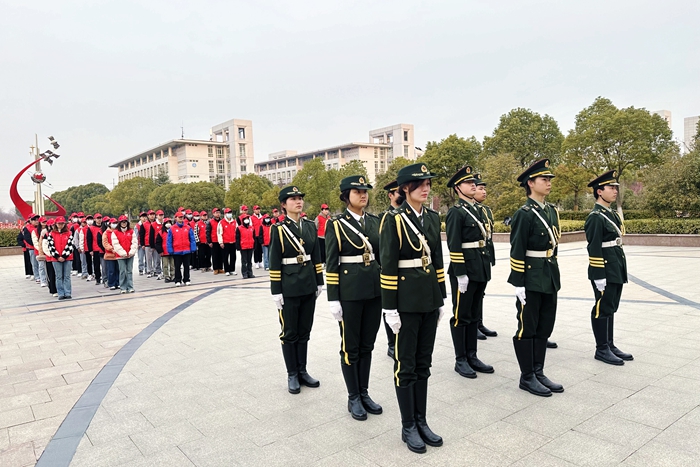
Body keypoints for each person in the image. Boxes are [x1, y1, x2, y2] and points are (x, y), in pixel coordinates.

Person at [379, 163, 446, 454]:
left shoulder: (432, 217)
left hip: (428, 299)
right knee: (405, 365)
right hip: (405, 302)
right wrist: (389, 308)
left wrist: (441, 297)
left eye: (428, 183)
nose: (425, 188)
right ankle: (408, 425)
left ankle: (422, 420)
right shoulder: (393, 220)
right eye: (419, 184)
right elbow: (388, 266)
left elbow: (438, 260)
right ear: (405, 188)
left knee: (423, 363)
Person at [325, 176, 383, 421]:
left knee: (367, 344)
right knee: (351, 346)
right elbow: (331, 263)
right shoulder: (336, 225)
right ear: (346, 196)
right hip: (350, 293)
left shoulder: (375, 222)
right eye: (357, 191)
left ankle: (364, 392)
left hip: (374, 291)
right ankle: (353, 396)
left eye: (365, 191)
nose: (363, 195)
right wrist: (333, 298)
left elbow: (381, 256)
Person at [508, 158, 563, 397]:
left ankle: (539, 371)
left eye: (549, 179)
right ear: (530, 183)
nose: (548, 182)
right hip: (530, 277)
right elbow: (517, 249)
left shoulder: (550, 211)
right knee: (527, 327)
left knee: (544, 325)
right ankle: (527, 376)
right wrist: (518, 282)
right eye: (544, 179)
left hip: (549, 274)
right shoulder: (524, 214)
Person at [269, 185, 324, 394]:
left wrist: (319, 280)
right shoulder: (278, 229)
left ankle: (302, 370)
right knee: (290, 332)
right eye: (293, 199)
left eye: (300, 198)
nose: (298, 201)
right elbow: (275, 261)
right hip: (289, 286)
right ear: (283, 205)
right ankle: (292, 373)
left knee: (304, 331)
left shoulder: (309, 226)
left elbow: (316, 255)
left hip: (308, 284)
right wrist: (276, 291)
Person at [445, 166, 493, 379]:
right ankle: (461, 359)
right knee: (461, 315)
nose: (473, 185)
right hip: (464, 269)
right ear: (458, 188)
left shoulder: (478, 210)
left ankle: (472, 355)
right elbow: (454, 244)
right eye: (468, 183)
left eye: (474, 182)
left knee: (474, 315)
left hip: (479, 266)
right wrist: (460, 273)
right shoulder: (456, 212)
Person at [585, 170, 633, 365]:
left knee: (610, 307)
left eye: (615, 188)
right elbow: (594, 247)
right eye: (611, 188)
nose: (615, 191)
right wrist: (598, 274)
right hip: (604, 268)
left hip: (615, 265)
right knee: (602, 307)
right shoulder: (595, 217)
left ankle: (610, 344)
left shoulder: (611, 214)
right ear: (599, 191)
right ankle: (601, 348)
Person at [473, 175, 498, 340]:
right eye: (480, 188)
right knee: (472, 294)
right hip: (473, 259)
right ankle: (472, 325)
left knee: (481, 293)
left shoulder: (486, 210)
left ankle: (479, 323)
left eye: (484, 188)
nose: (484, 191)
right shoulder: (467, 210)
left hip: (484, 256)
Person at [379, 180, 401, 358]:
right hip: (389, 270)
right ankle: (392, 343)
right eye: (398, 192)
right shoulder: (384, 217)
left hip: (407, 271)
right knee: (390, 307)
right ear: (390, 195)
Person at [46, 216, 74, 300]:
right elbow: (51, 246)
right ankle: (60, 293)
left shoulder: (69, 233)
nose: (61, 225)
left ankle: (67, 292)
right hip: (56, 258)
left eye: (62, 223)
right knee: (58, 276)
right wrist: (58, 257)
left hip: (67, 258)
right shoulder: (51, 234)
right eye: (59, 223)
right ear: (56, 224)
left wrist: (64, 256)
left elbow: (70, 246)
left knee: (67, 276)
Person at [167, 212, 196, 286]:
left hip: (186, 250)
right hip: (176, 250)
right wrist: (170, 249)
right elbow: (169, 240)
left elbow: (192, 238)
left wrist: (193, 247)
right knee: (177, 266)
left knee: (186, 266)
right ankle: (178, 280)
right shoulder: (172, 228)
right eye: (179, 217)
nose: (181, 218)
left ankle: (186, 279)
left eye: (182, 217)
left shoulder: (188, 227)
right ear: (176, 218)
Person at [112, 215, 138, 294]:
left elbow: (134, 242)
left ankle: (130, 287)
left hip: (130, 255)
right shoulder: (115, 232)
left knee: (129, 271)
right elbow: (115, 244)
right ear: (119, 223)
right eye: (122, 222)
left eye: (125, 222)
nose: (124, 223)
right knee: (122, 271)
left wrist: (131, 252)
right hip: (120, 256)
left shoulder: (131, 231)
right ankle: (123, 287)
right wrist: (123, 253)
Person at [217, 208, 238, 276]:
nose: (229, 214)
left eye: (230, 213)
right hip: (225, 242)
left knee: (233, 257)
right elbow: (219, 233)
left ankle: (232, 269)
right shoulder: (221, 222)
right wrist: (221, 242)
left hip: (233, 242)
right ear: (225, 214)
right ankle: (227, 270)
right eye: (228, 213)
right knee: (225, 257)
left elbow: (237, 232)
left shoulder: (234, 222)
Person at [40, 219, 58, 296]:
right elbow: (44, 247)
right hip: (50, 258)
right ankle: (53, 290)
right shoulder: (46, 235)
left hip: (57, 258)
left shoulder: (58, 234)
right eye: (52, 225)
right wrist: (52, 254)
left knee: (58, 275)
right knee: (51, 274)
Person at [86, 213, 104, 286]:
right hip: (95, 249)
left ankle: (105, 278)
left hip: (103, 249)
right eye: (98, 218)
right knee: (96, 265)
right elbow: (89, 240)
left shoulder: (104, 227)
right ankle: (98, 278)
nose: (99, 220)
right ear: (95, 219)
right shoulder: (91, 228)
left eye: (100, 218)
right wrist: (90, 250)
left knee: (104, 265)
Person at [103, 218, 120, 290]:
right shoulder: (106, 233)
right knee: (111, 270)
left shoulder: (118, 231)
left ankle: (118, 283)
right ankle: (111, 283)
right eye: (113, 223)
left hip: (118, 254)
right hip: (109, 255)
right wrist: (111, 248)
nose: (114, 224)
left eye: (116, 223)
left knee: (118, 269)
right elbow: (105, 243)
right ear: (109, 224)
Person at [155, 217, 174, 282]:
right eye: (167, 223)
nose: (168, 224)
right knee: (165, 265)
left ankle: (173, 276)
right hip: (164, 251)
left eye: (169, 222)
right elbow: (158, 243)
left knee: (172, 265)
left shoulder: (173, 231)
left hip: (172, 251)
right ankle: (166, 276)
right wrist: (160, 251)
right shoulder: (160, 232)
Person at [207, 208, 224, 274]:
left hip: (221, 241)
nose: (218, 214)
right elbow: (208, 232)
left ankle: (220, 268)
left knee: (221, 255)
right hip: (214, 240)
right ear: (213, 214)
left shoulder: (222, 221)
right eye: (216, 213)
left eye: (219, 212)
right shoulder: (210, 222)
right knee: (215, 255)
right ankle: (215, 268)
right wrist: (209, 241)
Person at [34, 217, 49, 287]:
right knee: (41, 267)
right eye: (43, 222)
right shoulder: (35, 231)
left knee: (48, 267)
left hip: (48, 251)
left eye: (45, 222)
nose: (44, 223)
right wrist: (41, 249)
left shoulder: (49, 230)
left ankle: (48, 280)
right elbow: (35, 242)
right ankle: (43, 280)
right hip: (40, 251)